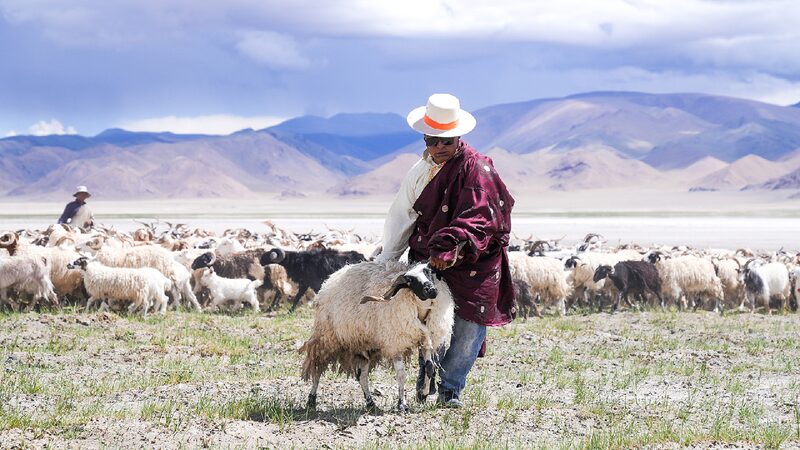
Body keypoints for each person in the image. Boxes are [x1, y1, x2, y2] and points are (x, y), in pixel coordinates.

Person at [375, 93, 516, 408]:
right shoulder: (418, 173)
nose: (439, 148)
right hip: (430, 262)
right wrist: (386, 261)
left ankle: (450, 391)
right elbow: (402, 216)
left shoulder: (479, 169)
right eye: (433, 141)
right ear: (424, 139)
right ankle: (427, 382)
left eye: (446, 141)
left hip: (475, 262)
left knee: (468, 327)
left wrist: (455, 241)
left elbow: (486, 216)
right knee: (432, 324)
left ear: (458, 138)